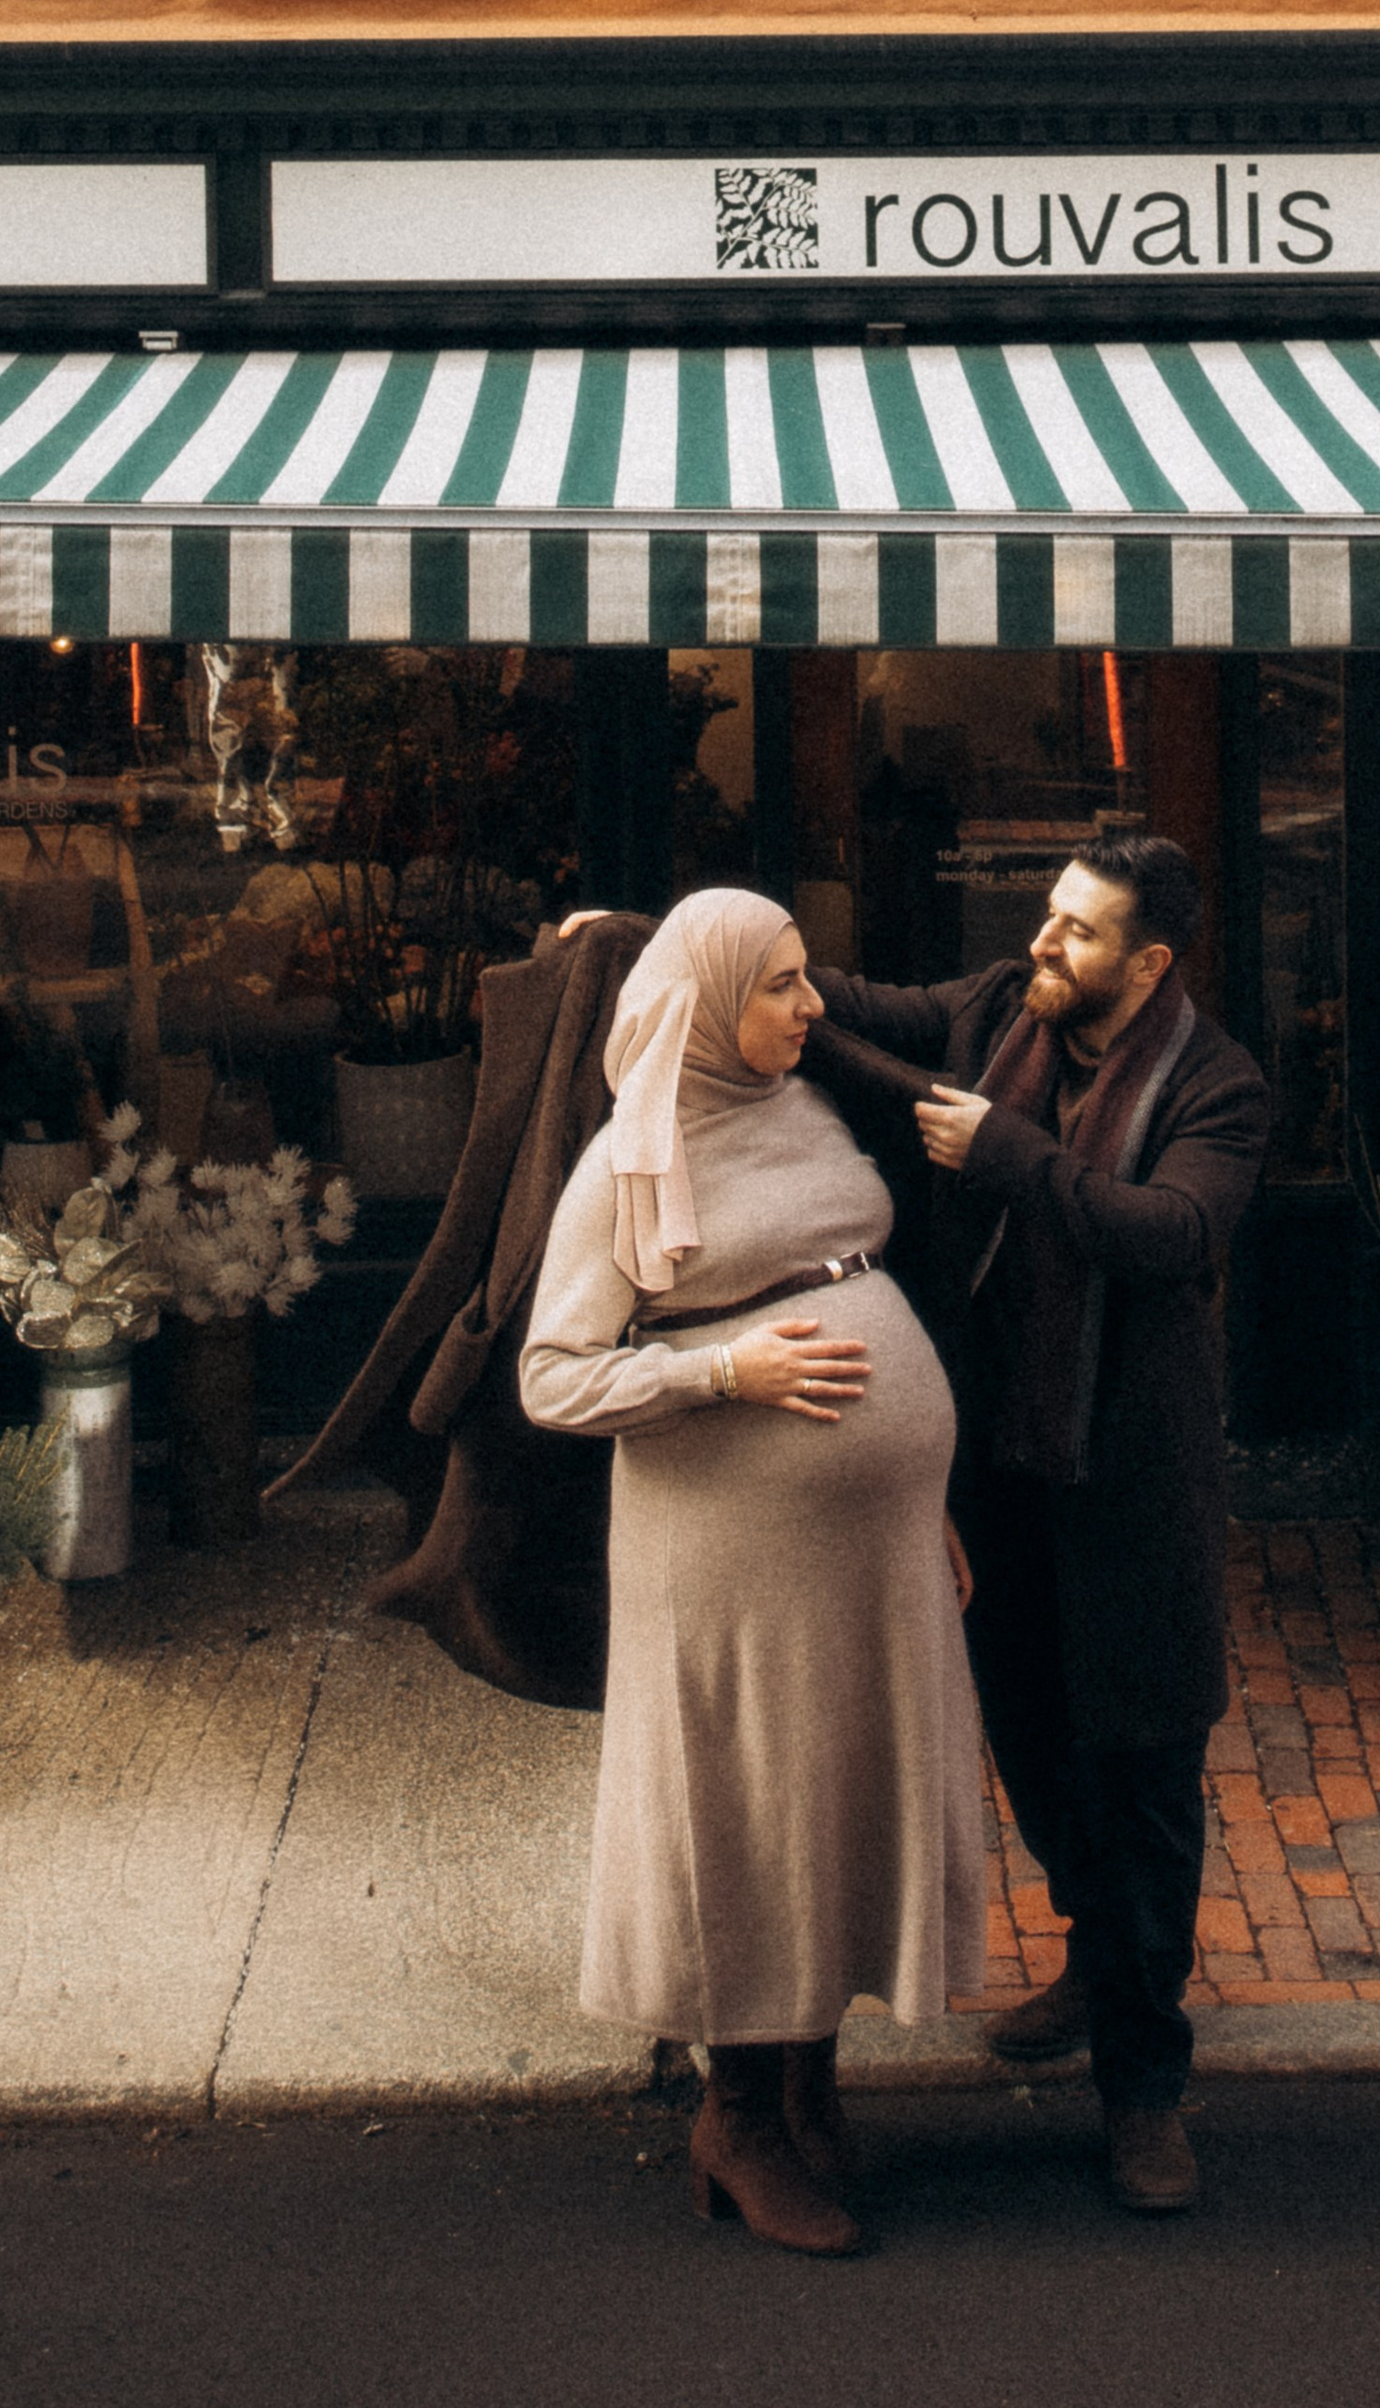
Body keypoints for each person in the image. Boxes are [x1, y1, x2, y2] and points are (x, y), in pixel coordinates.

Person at [520, 887, 986, 2259]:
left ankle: (809, 2083)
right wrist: (728, 1366)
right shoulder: (629, 1162)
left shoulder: (803, 1105)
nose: (809, 1005)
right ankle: (737, 2120)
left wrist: (923, 1497)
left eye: (803, 978)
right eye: (778, 985)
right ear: (713, 1001)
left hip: (867, 1543)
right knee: (752, 1803)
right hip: (726, 1555)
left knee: (833, 1791)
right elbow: (553, 1377)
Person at [808, 833, 1269, 2219]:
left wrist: (1008, 1154)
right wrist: (660, 934)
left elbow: (1169, 1232)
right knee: (1029, 1733)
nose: (1043, 943)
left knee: (1143, 1777)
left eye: (1077, 931)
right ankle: (1094, 1952)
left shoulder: (1219, 1085)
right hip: (995, 1471)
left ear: (1152, 962)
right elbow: (852, 1003)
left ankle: (1144, 2087)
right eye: (1048, 915)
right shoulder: (1000, 1005)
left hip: (1131, 1487)